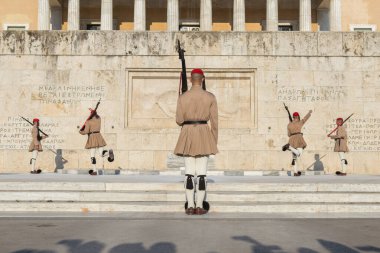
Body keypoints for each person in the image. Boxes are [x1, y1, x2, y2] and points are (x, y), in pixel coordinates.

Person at [174, 68, 218, 215]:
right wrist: (213, 141)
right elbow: (215, 122)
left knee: (188, 173)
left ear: (191, 79)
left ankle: (190, 206)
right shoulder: (210, 97)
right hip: (204, 133)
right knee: (201, 174)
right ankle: (199, 206)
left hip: (187, 133)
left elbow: (179, 120)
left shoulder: (183, 97)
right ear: (203, 79)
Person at [79, 109, 114, 176]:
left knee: (92, 156)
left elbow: (86, 131)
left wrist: (81, 131)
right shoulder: (99, 119)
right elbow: (96, 116)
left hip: (92, 137)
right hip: (99, 136)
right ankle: (108, 153)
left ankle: (95, 171)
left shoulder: (88, 122)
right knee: (101, 154)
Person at [282, 110, 312, 176]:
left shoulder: (289, 125)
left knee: (294, 158)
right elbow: (305, 119)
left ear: (293, 117)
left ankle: (295, 172)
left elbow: (288, 134)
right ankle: (289, 147)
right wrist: (309, 113)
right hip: (298, 138)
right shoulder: (300, 123)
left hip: (291, 139)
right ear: (298, 117)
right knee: (299, 153)